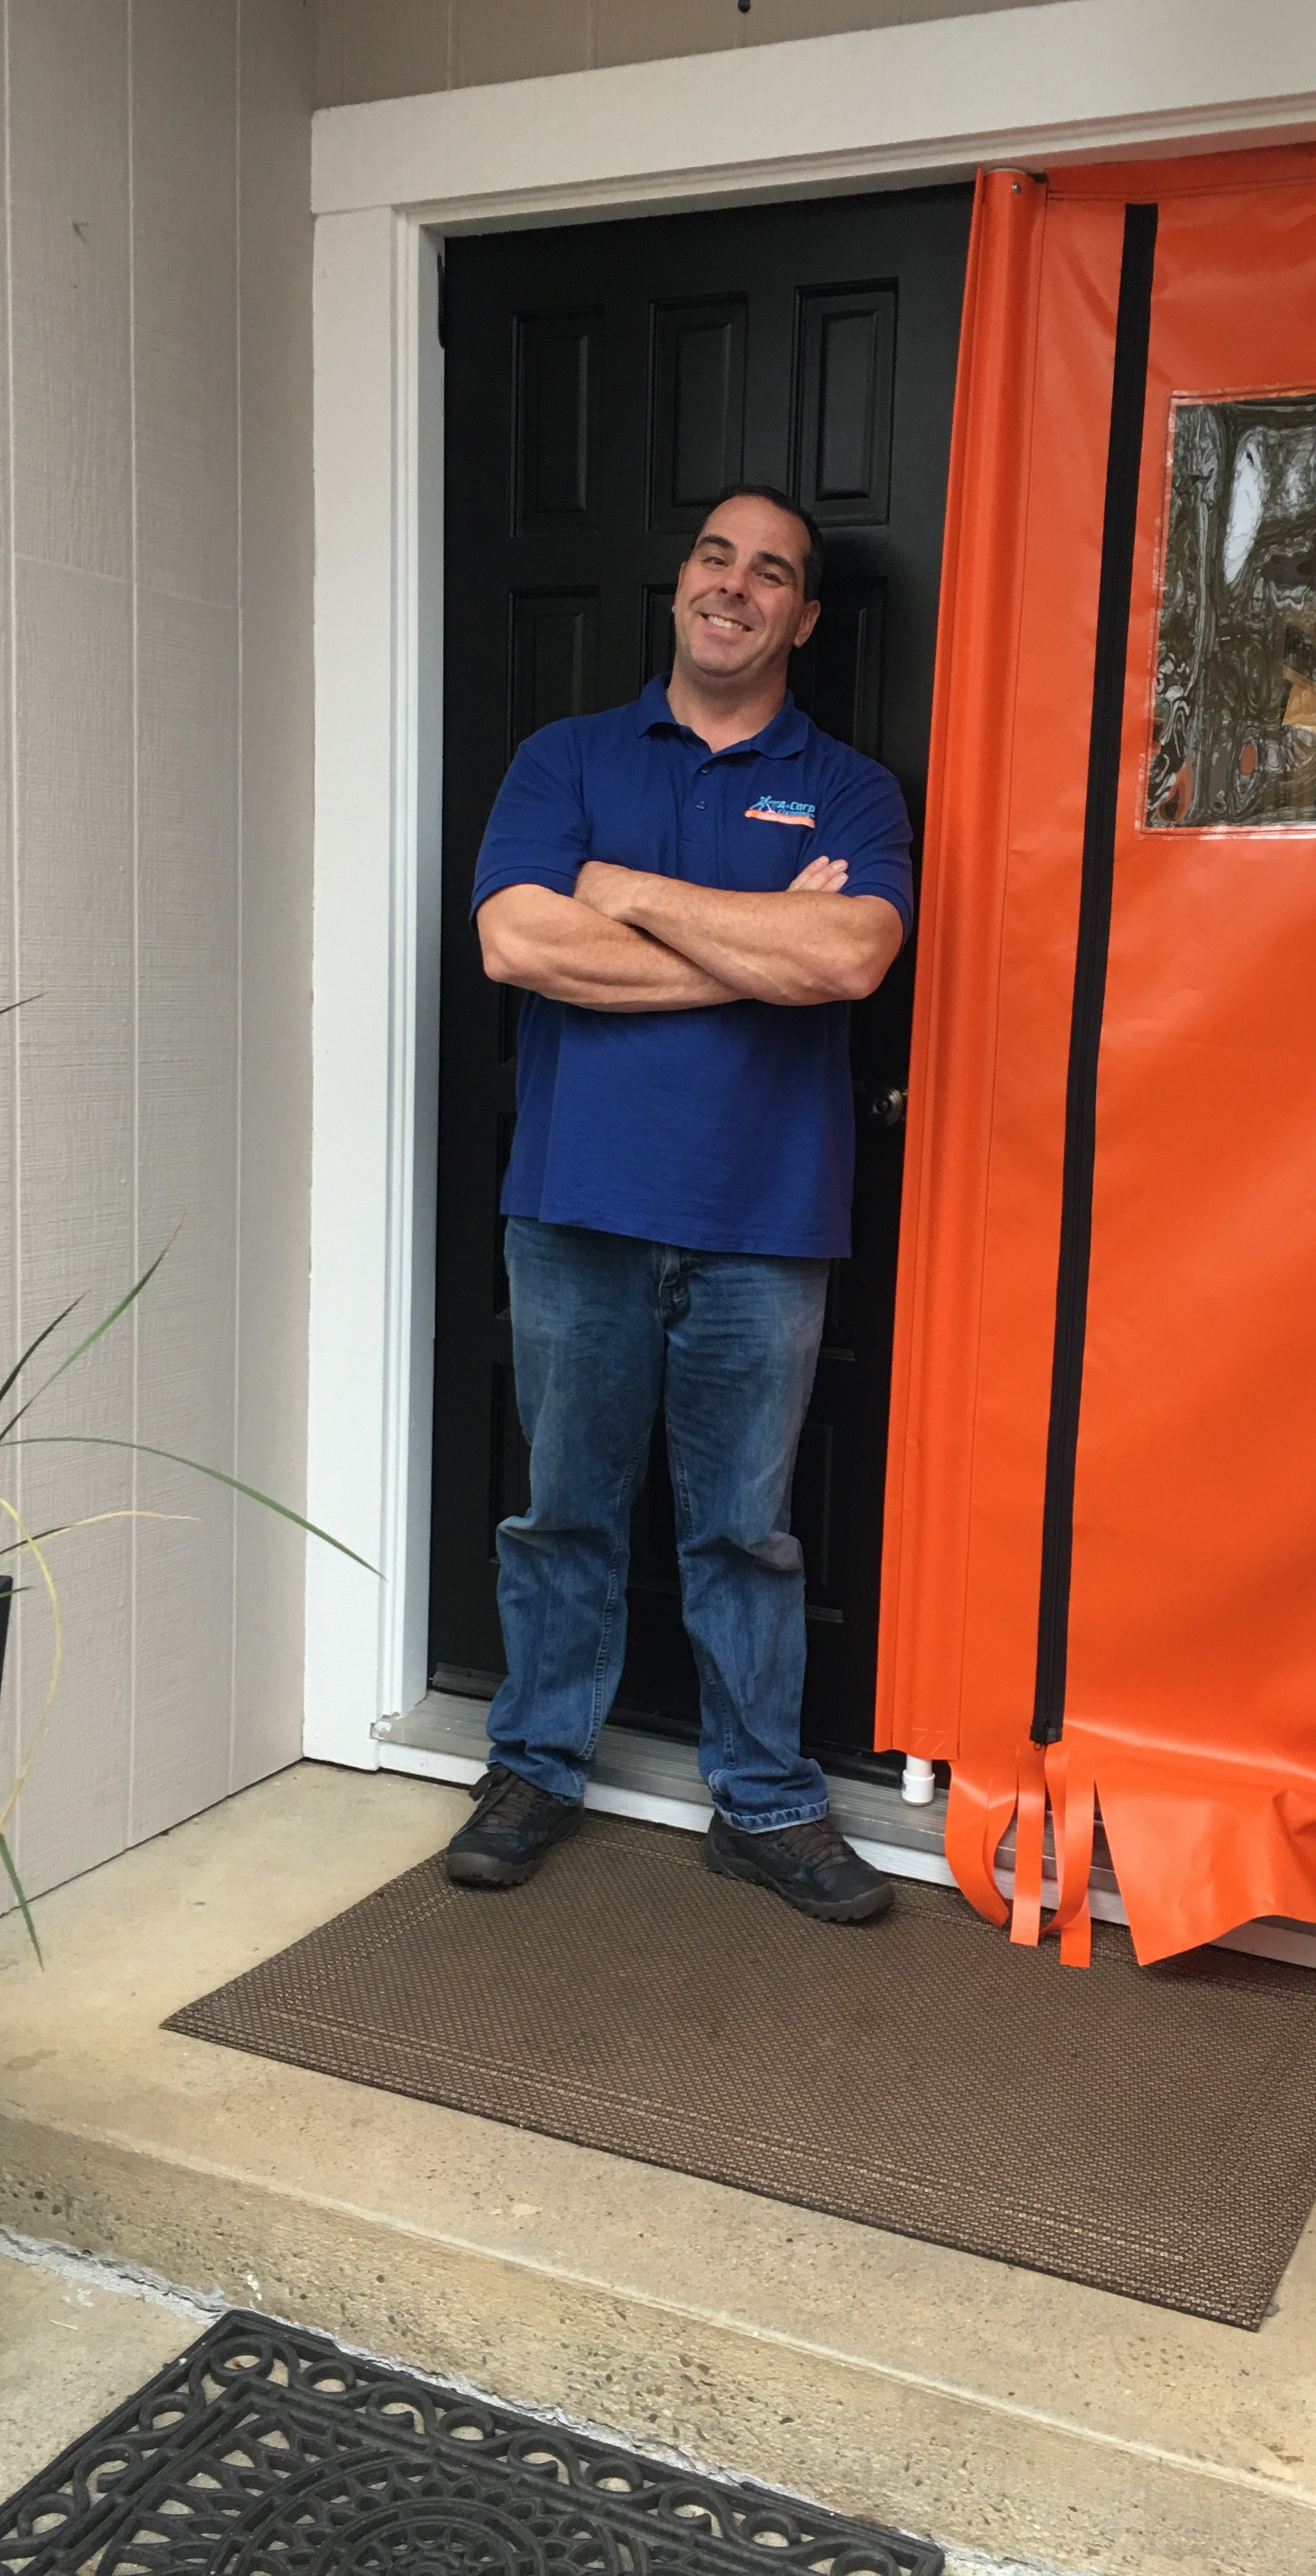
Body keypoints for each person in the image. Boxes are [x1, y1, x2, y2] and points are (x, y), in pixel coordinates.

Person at [446, 485, 912, 1923]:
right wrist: (760, 948)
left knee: (746, 1536)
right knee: (564, 1516)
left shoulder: (851, 789)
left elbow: (849, 961)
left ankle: (763, 1800)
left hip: (768, 1219)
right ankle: (535, 1767)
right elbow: (519, 943)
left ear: (804, 619)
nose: (734, 585)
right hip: (576, 1205)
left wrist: (625, 890)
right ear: (680, 585)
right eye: (715, 555)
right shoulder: (566, 757)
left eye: (771, 572)